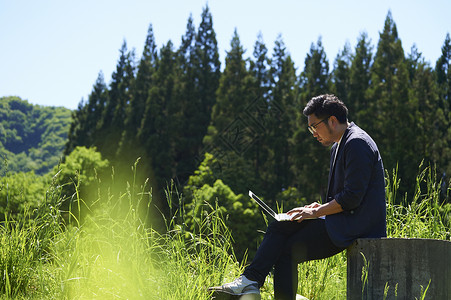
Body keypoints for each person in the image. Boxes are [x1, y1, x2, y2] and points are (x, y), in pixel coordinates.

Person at [208, 94, 387, 300]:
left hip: (358, 225)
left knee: (284, 241)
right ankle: (251, 281)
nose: (313, 133)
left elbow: (352, 198)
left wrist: (315, 212)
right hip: (346, 219)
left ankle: (250, 281)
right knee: (281, 227)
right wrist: (317, 208)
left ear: (332, 120)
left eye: (314, 126)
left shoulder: (357, 142)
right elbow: (344, 196)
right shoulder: (340, 145)